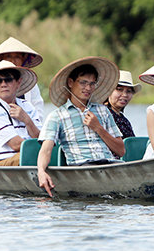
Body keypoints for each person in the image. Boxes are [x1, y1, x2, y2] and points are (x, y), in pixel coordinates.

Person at [37, 57, 125, 196]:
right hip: (82, 168)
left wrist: (98, 128)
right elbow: (46, 150)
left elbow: (121, 151)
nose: (88, 88)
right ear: (71, 83)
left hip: (110, 165)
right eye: (83, 82)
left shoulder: (103, 110)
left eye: (92, 84)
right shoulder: (57, 116)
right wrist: (41, 171)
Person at [0, 60, 42, 166]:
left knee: (48, 152)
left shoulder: (27, 106)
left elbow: (39, 137)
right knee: (42, 154)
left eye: (8, 79)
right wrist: (44, 149)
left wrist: (27, 120)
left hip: (25, 157)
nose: (3, 84)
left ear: (18, 82)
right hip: (1, 163)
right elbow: (16, 144)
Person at [104, 70, 141, 139]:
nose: (125, 95)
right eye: (119, 89)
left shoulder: (123, 119)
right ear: (109, 91)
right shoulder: (104, 114)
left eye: (129, 91)